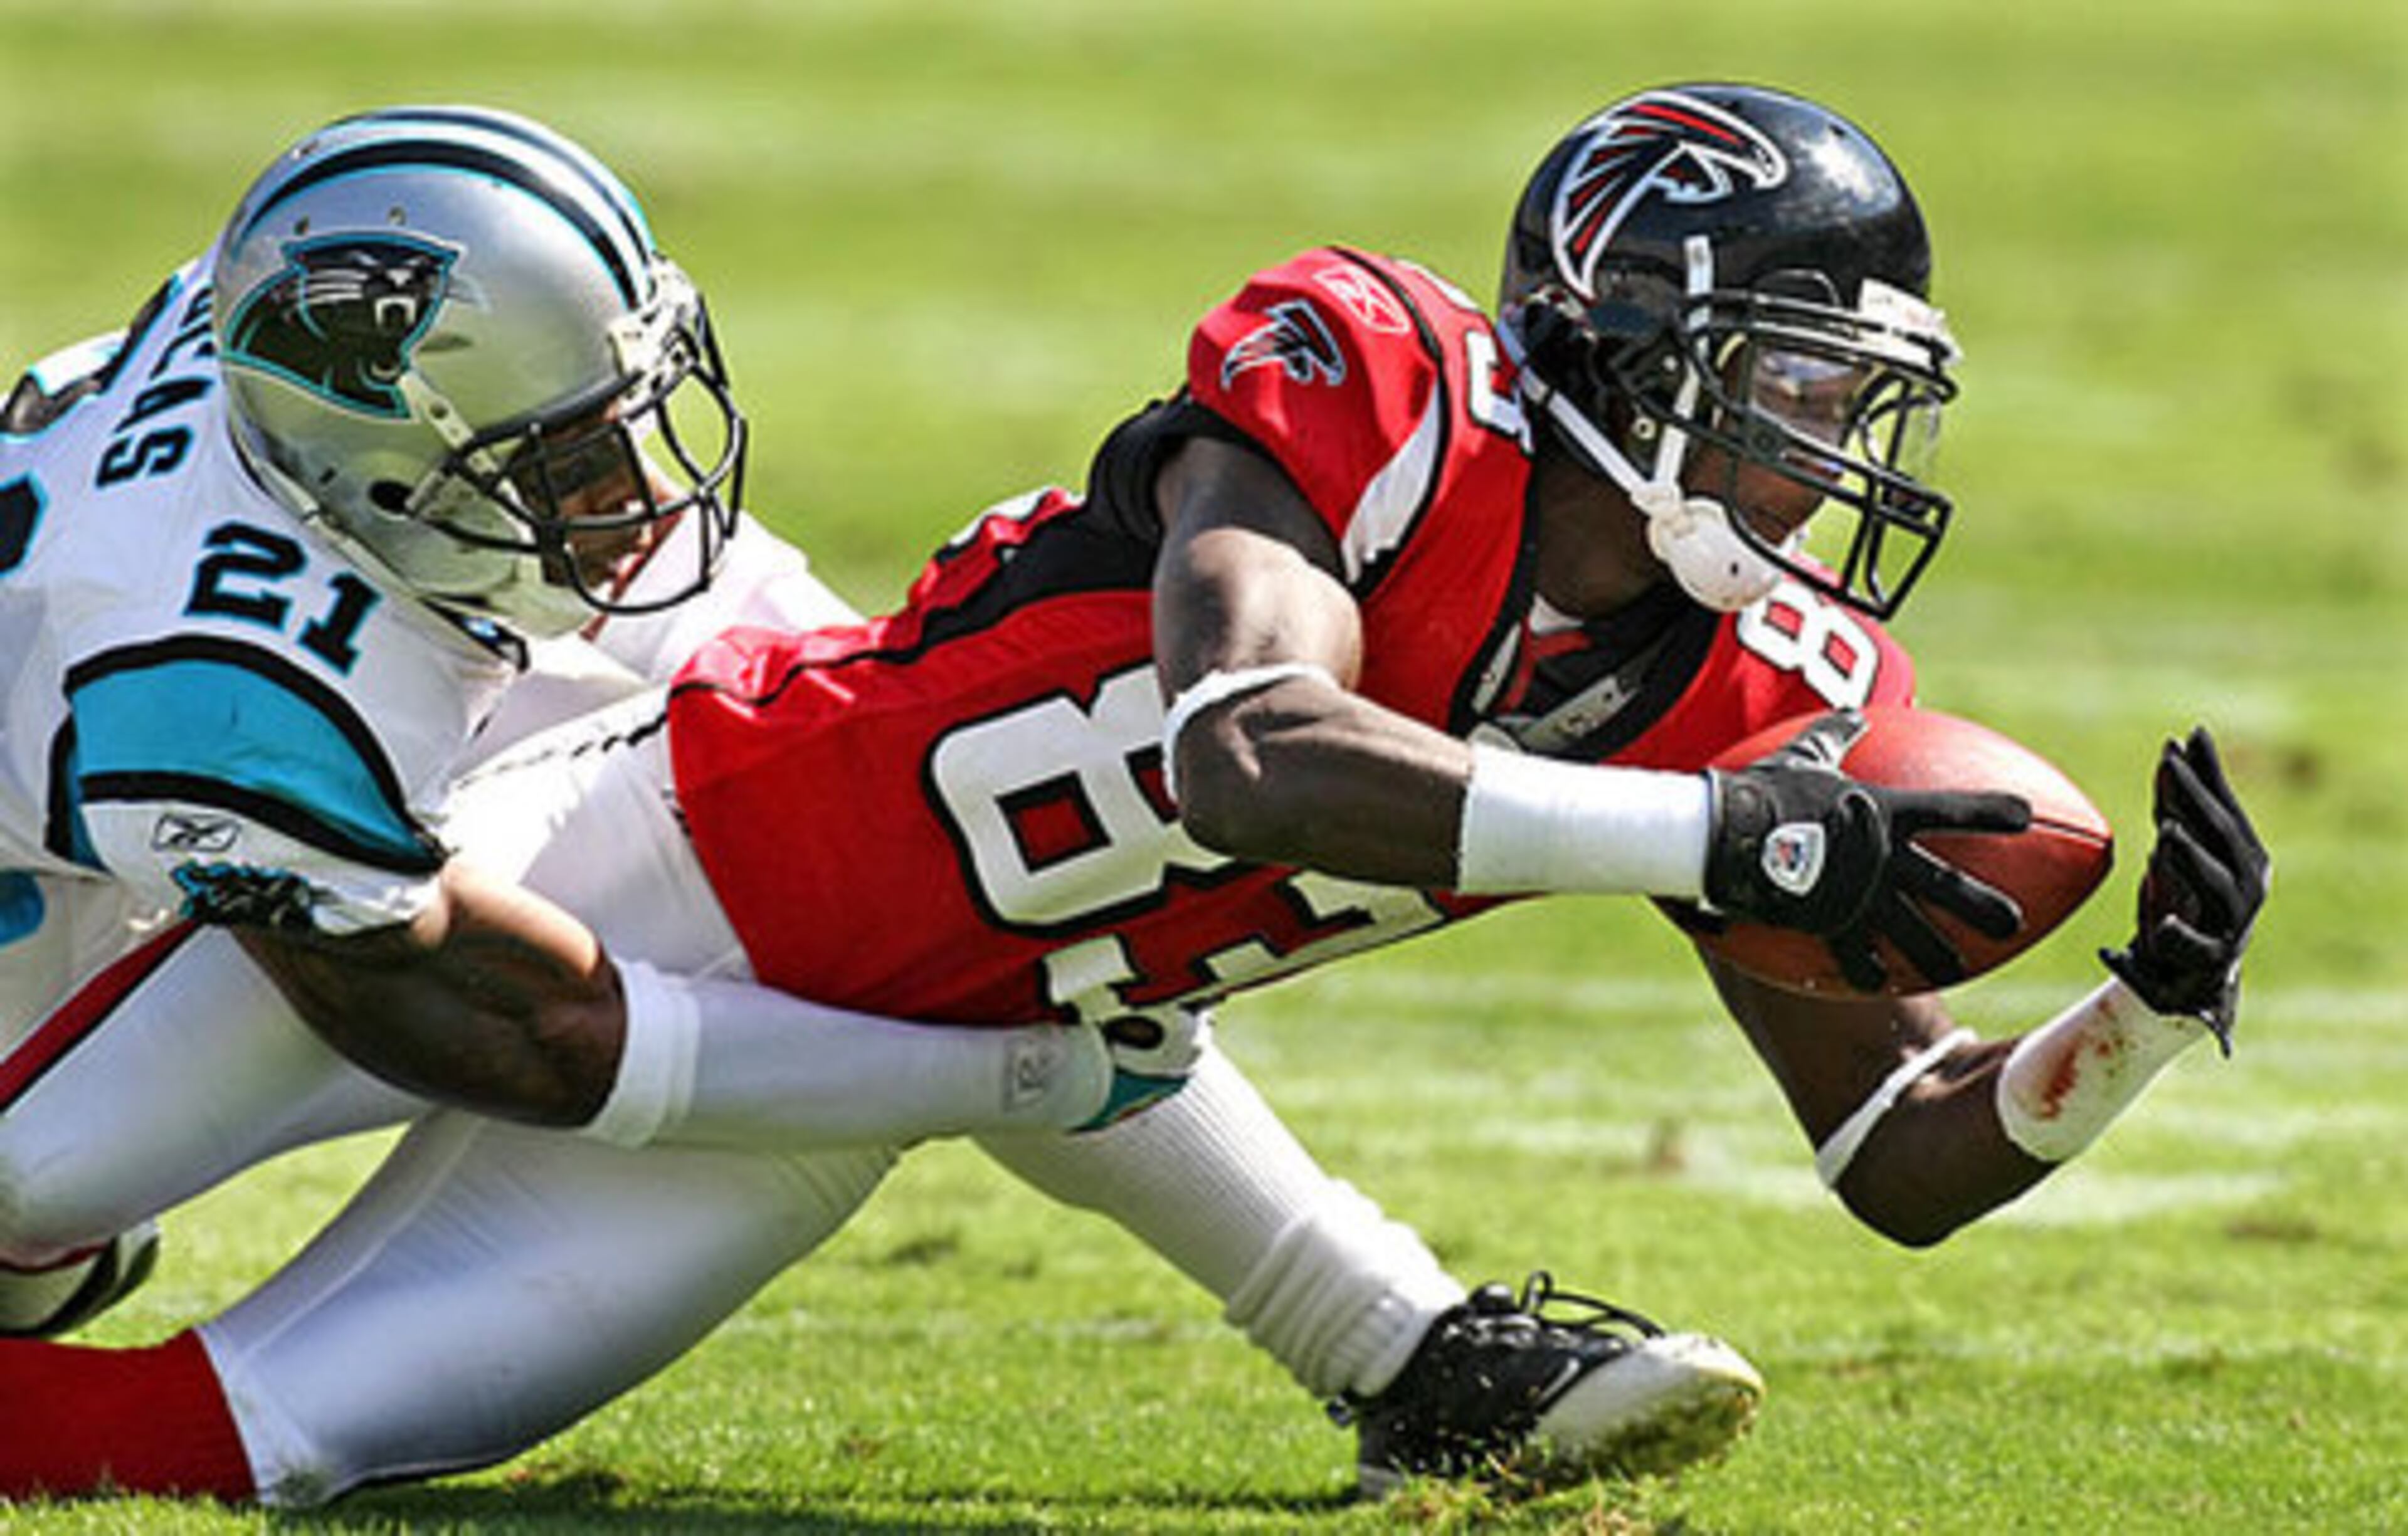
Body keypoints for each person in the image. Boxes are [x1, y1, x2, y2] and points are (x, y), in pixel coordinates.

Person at [0, 83, 2267, 1508]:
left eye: (1861, 414)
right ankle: (1412, 1347)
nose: (1832, 471)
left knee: (236, 1448)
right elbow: (1250, 754)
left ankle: (1416, 1365)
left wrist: (2135, 1034)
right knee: (41, 1167)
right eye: (1792, 397)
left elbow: (1902, 1164)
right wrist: (1715, 837)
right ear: (1633, 357)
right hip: (642, 838)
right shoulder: (1387, 397)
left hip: (863, 1087)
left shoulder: (1752, 687)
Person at [0, 103, 1170, 1331]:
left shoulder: (312, 364)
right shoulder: (230, 697)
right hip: (107, 809)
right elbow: (542, 1033)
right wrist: (1015, 1080)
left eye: (624, 416)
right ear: (389, 471)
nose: (638, 488)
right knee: (37, 1195)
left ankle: (1374, 1325)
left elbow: (873, 749)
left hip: (202, 693)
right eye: (569, 460)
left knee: (911, 817)